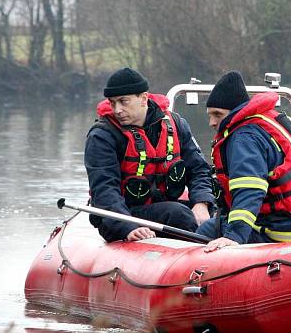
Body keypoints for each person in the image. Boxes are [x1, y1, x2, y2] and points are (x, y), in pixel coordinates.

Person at [196, 71, 291, 251]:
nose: (211, 122)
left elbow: (250, 190)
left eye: (217, 114)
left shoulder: (244, 138)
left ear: (235, 110)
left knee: (204, 231)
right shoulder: (276, 120)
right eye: (209, 115)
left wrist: (234, 236)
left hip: (282, 230)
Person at [85, 67, 215, 242]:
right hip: (120, 217)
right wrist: (127, 227)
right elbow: (104, 190)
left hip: (161, 209)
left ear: (144, 98)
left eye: (123, 101)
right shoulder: (102, 136)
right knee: (178, 214)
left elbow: (199, 170)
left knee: (216, 214)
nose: (117, 110)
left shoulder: (176, 124)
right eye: (112, 102)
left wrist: (202, 203)